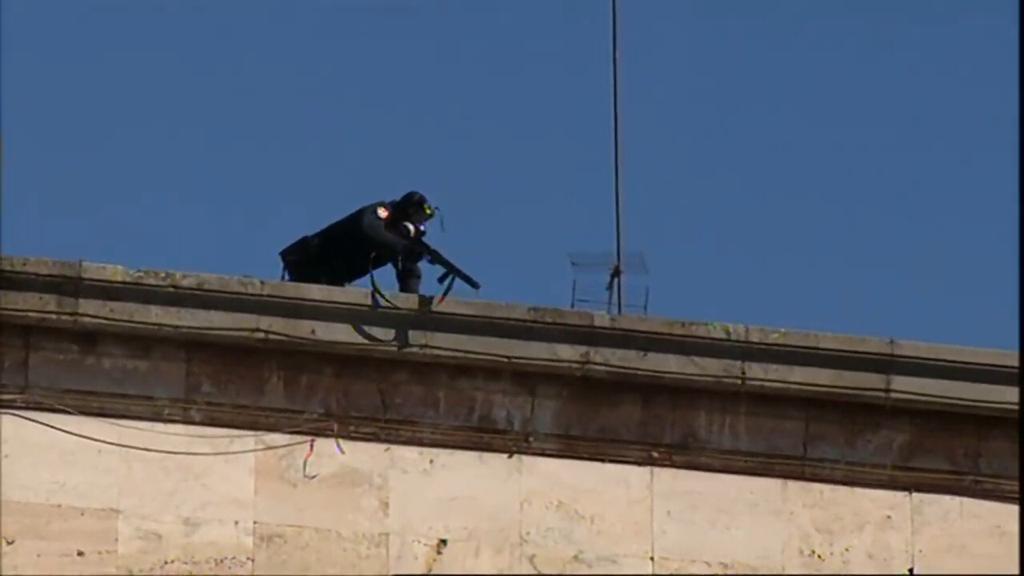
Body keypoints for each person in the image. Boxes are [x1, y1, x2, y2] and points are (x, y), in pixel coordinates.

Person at [279, 191, 437, 294]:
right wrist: (404, 247)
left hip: (330, 281)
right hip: (311, 263)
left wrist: (411, 304)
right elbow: (368, 227)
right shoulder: (382, 213)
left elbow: (408, 271)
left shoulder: (396, 242)